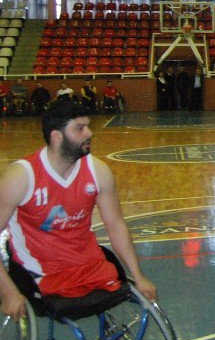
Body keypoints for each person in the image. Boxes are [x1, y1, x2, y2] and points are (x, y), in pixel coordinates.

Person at [0, 98, 157, 320]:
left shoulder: (98, 171)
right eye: (80, 128)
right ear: (57, 136)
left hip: (89, 265)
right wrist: (8, 292)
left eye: (88, 126)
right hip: (41, 271)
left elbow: (115, 226)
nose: (89, 133)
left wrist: (138, 276)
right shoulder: (22, 177)